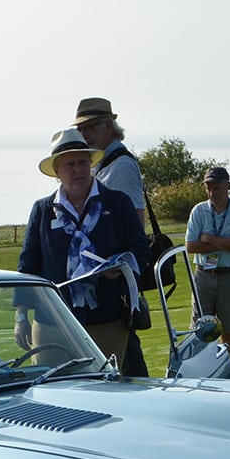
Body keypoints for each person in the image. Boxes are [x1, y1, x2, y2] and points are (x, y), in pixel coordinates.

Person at [17, 130, 146, 367]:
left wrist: (119, 266)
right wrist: (21, 316)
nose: (77, 169)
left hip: (108, 318)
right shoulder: (42, 210)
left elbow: (140, 250)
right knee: (52, 392)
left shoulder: (117, 203)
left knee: (105, 389)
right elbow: (28, 266)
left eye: (82, 162)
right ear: (57, 171)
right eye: (69, 164)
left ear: (90, 165)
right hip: (52, 320)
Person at [75, 97, 152, 376]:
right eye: (81, 129)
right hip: (102, 278)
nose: (84, 134)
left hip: (116, 277)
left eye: (91, 127)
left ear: (109, 126)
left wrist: (114, 264)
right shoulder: (104, 163)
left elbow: (135, 224)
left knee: (125, 358)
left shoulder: (120, 166)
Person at [183, 165, 230, 352]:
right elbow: (190, 246)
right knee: (200, 329)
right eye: (208, 188)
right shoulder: (198, 210)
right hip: (204, 275)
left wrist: (209, 239)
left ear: (228, 185)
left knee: (228, 331)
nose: (212, 192)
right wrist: (224, 243)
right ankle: (200, 373)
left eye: (216, 187)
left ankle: (224, 372)